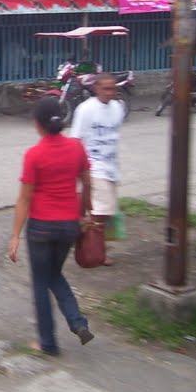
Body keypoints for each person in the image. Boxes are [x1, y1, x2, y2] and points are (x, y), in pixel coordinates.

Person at [8, 96, 95, 356]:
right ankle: (77, 322)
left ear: (38, 124)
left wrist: (14, 236)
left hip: (41, 229)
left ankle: (48, 343)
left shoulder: (34, 155)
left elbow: (25, 198)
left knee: (40, 281)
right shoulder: (77, 148)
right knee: (54, 274)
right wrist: (85, 213)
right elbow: (88, 183)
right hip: (69, 226)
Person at [70, 73, 124, 261]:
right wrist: (78, 169)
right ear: (96, 88)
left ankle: (84, 241)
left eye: (113, 88)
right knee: (100, 212)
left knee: (103, 213)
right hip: (93, 166)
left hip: (110, 166)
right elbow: (76, 139)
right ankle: (94, 251)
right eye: (106, 88)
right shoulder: (86, 109)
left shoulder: (118, 108)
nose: (110, 92)